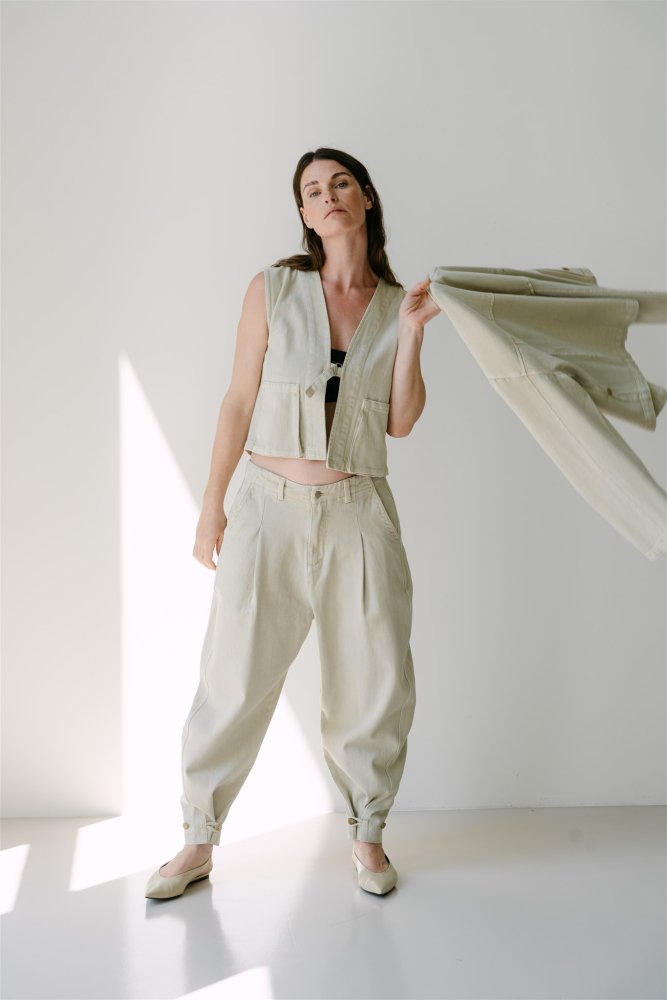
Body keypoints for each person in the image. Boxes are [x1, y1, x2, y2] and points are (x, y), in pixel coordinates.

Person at [145, 147, 441, 900]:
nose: (328, 195)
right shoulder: (273, 289)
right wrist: (211, 505)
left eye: (340, 182)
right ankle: (197, 839)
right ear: (304, 214)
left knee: (373, 676)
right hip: (265, 506)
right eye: (313, 189)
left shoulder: (395, 302)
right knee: (234, 673)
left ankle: (367, 834)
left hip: (359, 511)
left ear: (365, 197)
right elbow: (238, 400)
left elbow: (402, 421)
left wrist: (412, 333)